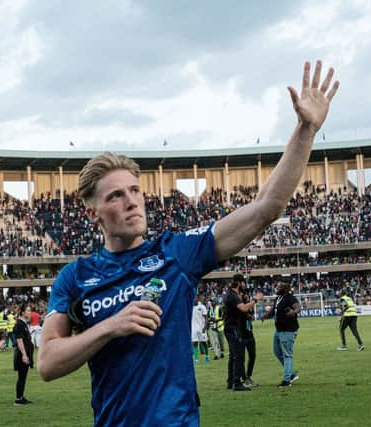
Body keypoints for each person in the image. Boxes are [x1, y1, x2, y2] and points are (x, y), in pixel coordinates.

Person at [38, 59, 339, 426]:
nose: (132, 201)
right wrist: (110, 326)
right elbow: (48, 363)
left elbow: (265, 208)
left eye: (135, 190)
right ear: (93, 214)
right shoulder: (75, 277)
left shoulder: (176, 254)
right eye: (116, 195)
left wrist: (305, 130)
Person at [261, 281, 300, 387]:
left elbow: (298, 307)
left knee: (287, 354)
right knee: (277, 352)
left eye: (278, 287)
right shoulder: (278, 298)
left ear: (285, 288)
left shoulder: (289, 297)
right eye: (276, 286)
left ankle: (286, 380)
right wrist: (265, 316)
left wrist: (294, 312)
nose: (276, 288)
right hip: (279, 330)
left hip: (288, 330)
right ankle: (291, 374)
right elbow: (274, 311)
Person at [224, 274, 257, 391]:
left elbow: (241, 311)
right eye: (243, 282)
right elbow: (243, 308)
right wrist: (255, 300)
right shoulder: (232, 295)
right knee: (239, 355)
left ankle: (231, 381)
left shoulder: (231, 294)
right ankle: (237, 383)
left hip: (230, 328)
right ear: (239, 283)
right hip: (233, 328)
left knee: (233, 355)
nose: (244, 284)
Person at [13, 303, 34, 405]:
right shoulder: (19, 324)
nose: (30, 313)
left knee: (23, 376)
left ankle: (21, 396)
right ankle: (18, 399)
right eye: (28, 311)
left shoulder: (23, 323)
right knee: (21, 377)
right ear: (22, 312)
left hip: (26, 352)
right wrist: (24, 355)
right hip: (22, 354)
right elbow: (19, 341)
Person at [241, 290, 258, 387]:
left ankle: (248, 376)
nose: (247, 298)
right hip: (242, 334)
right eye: (245, 296)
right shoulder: (239, 306)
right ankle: (244, 378)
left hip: (250, 334)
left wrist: (250, 316)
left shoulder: (249, 307)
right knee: (241, 357)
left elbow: (251, 317)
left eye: (248, 296)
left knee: (252, 355)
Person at [191, 295, 209, 364]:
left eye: (195, 297)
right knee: (195, 343)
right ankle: (196, 359)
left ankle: (206, 356)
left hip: (201, 328)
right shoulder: (190, 306)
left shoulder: (202, 306)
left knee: (204, 342)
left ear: (197, 298)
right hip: (194, 328)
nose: (194, 299)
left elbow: (206, 317)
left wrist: (205, 327)